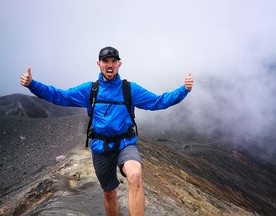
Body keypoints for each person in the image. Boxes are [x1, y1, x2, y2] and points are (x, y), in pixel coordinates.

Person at [20, 46, 193, 216]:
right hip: (101, 148)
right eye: (105, 61)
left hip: (126, 144)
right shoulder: (91, 90)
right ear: (99, 64)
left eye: (113, 61)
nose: (109, 65)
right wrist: (32, 85)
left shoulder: (129, 89)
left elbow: (158, 101)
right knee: (110, 194)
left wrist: (183, 90)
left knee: (134, 174)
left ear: (119, 64)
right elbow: (60, 96)